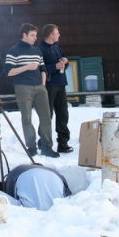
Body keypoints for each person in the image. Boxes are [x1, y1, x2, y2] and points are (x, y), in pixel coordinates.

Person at [5, 23, 59, 158]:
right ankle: (32, 147)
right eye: (32, 35)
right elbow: (9, 72)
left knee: (46, 117)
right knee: (27, 118)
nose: (35, 38)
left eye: (35, 35)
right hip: (23, 87)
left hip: (40, 87)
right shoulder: (13, 51)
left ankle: (47, 147)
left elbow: (43, 69)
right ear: (24, 35)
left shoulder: (37, 51)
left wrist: (42, 85)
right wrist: (27, 67)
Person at [39, 24, 73, 153]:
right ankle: (43, 142)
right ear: (50, 35)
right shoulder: (40, 49)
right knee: (47, 115)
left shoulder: (57, 46)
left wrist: (65, 61)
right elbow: (39, 68)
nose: (59, 35)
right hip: (48, 86)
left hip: (61, 84)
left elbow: (64, 64)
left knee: (63, 114)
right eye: (57, 33)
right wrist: (55, 66)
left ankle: (62, 143)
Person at [4, 164, 71, 210]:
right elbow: (68, 195)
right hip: (56, 210)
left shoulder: (19, 169)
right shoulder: (55, 172)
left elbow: (9, 193)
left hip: (27, 212)